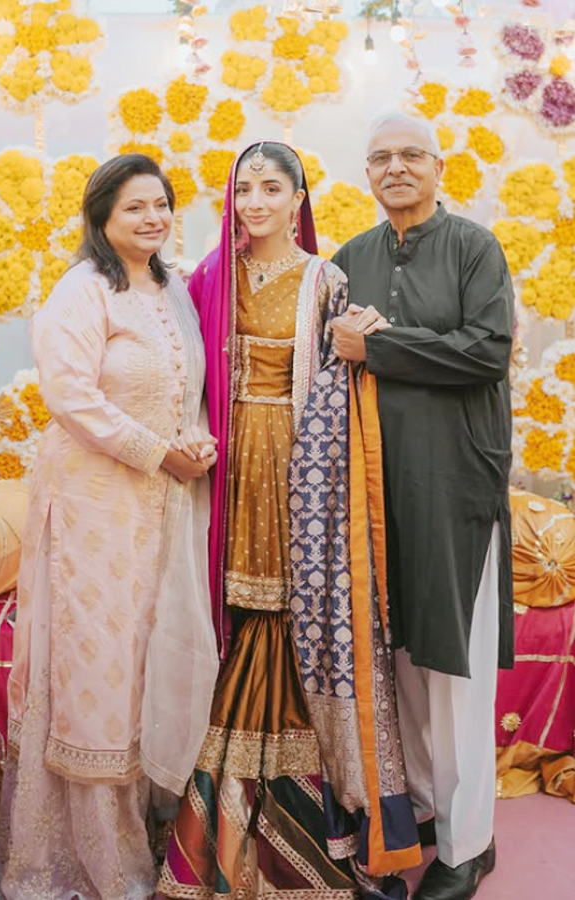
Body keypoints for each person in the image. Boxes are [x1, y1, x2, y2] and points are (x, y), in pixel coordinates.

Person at [156, 141, 421, 900]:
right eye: (245, 189)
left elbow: (348, 380)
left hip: (303, 476)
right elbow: (180, 372)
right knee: (234, 619)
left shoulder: (325, 279)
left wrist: (366, 347)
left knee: (292, 624)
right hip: (226, 466)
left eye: (273, 188)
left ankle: (299, 829)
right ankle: (227, 821)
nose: (256, 203)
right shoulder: (208, 278)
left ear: (299, 197)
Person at [0, 154, 220, 900]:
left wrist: (198, 441)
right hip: (95, 504)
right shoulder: (82, 291)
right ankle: (97, 862)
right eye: (134, 209)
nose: (152, 220)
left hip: (161, 504)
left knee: (151, 659)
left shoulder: (172, 287)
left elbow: (187, 387)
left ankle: (150, 835)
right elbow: (70, 398)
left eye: (161, 206)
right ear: (102, 218)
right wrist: (159, 452)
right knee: (100, 671)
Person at [331, 113, 514, 900]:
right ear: (367, 175)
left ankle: (471, 845)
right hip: (377, 489)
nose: (395, 168)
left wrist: (382, 344)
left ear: (438, 168)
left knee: (455, 668)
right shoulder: (349, 260)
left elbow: (486, 350)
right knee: (402, 659)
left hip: (457, 487)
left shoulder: (474, 246)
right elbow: (328, 357)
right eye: (380, 158)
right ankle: (436, 814)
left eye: (411, 155)